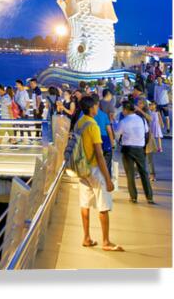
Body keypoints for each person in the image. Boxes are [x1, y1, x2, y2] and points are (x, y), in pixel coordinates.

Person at [75, 95, 122, 252]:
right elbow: (99, 154)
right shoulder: (93, 125)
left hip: (81, 169)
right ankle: (106, 242)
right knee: (103, 206)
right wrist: (108, 179)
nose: (97, 108)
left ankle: (86, 237)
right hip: (94, 169)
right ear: (91, 107)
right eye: (96, 106)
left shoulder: (79, 123)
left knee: (85, 204)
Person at [114, 101, 154, 204]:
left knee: (130, 174)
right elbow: (146, 131)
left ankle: (133, 197)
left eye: (123, 109)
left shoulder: (124, 121)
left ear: (126, 110)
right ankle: (149, 196)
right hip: (140, 148)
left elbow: (117, 133)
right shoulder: (141, 119)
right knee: (143, 172)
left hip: (127, 149)